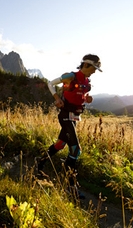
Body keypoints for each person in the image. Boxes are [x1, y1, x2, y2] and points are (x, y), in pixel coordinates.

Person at [36, 54, 102, 199]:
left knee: (60, 144)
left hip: (74, 117)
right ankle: (70, 187)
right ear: (86, 65)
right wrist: (57, 98)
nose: (94, 71)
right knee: (76, 150)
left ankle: (40, 162)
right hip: (65, 114)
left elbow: (80, 95)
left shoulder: (87, 81)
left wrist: (87, 99)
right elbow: (50, 83)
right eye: (94, 68)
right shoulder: (70, 76)